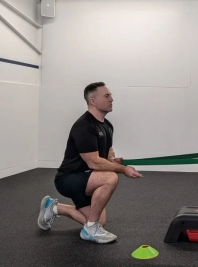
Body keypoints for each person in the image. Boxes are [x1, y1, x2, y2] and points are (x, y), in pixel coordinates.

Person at [37, 82, 142, 243]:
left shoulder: (107, 125)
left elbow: (106, 154)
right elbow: (93, 162)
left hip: (87, 178)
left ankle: (54, 207)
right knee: (110, 177)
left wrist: (113, 161)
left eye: (111, 95)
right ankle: (91, 229)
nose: (112, 99)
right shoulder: (84, 126)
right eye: (106, 96)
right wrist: (123, 169)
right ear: (93, 101)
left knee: (102, 220)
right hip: (69, 178)